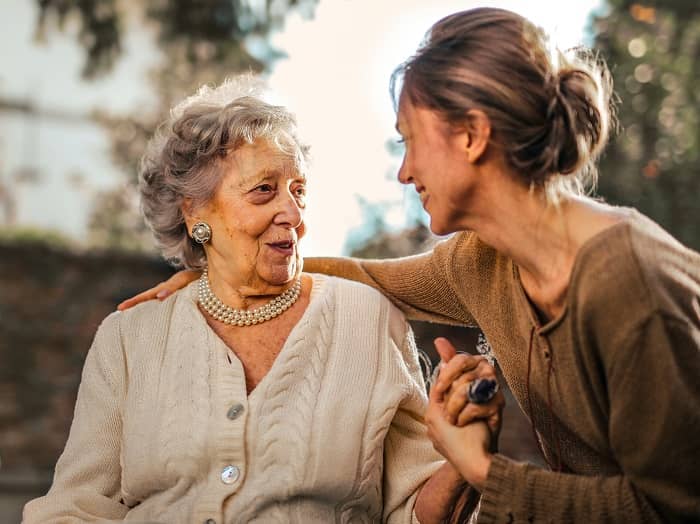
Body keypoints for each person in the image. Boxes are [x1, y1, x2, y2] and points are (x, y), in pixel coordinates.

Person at [123, 8, 700, 523]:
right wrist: (223, 270)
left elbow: (672, 506)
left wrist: (482, 472)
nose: (404, 172)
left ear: (472, 136)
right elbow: (368, 278)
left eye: (410, 141)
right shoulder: (484, 262)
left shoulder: (632, 285)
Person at [23, 76, 488, 523]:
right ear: (195, 211)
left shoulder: (368, 320)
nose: (292, 213)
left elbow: (416, 512)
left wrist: (463, 461)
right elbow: (75, 508)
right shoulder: (129, 337)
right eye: (264, 190)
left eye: (298, 191)